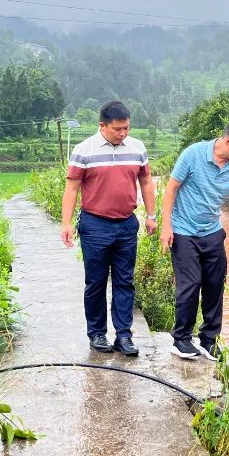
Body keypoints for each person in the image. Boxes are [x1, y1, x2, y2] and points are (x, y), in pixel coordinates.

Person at [61, 101, 156, 356]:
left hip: (126, 224)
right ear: (102, 126)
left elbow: (146, 181)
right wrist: (66, 222)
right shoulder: (84, 150)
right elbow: (72, 188)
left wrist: (151, 215)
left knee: (125, 281)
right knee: (96, 282)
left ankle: (124, 336)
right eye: (117, 129)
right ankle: (97, 333)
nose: (123, 133)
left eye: (127, 128)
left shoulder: (137, 148)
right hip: (95, 225)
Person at [160, 121, 229, 360]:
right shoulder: (193, 154)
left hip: (212, 231)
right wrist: (166, 226)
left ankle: (209, 340)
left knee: (215, 284)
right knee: (190, 284)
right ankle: (181, 339)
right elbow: (171, 189)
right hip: (184, 230)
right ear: (228, 141)